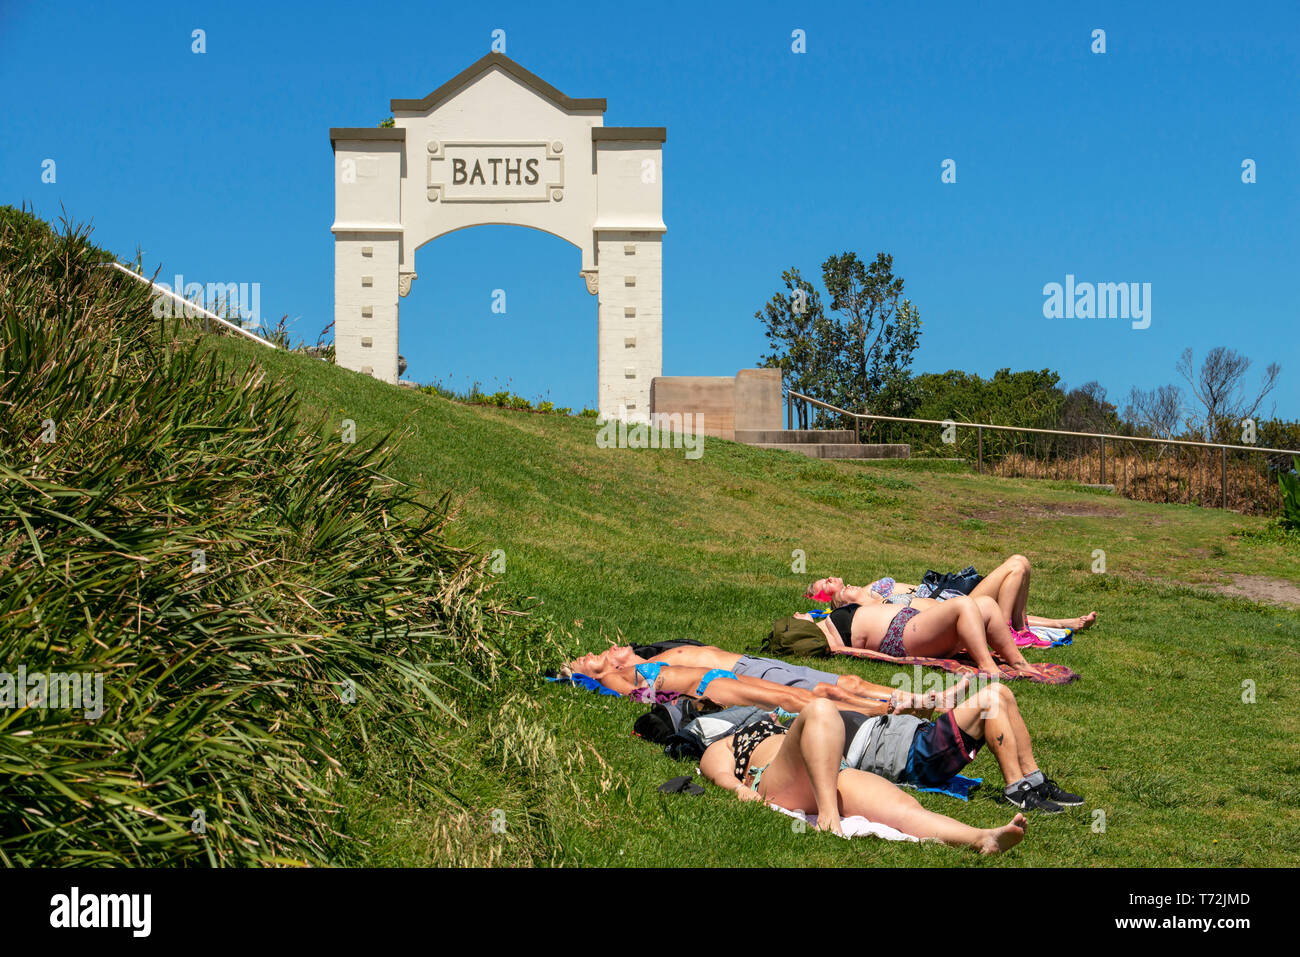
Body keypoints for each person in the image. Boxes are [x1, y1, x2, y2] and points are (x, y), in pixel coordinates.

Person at [699, 698, 1028, 854]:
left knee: (903, 809)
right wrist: (740, 790)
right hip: (776, 780)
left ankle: (980, 837)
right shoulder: (731, 739)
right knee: (821, 709)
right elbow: (717, 769)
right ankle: (829, 816)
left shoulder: (784, 725)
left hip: (833, 775)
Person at [573, 642, 971, 712]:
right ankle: (897, 705)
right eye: (585, 658)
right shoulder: (620, 676)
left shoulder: (646, 661)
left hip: (732, 669)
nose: (596, 652)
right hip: (724, 679)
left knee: (833, 686)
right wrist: (669, 698)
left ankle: (916, 701)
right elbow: (633, 694)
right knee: (817, 694)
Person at [806, 554, 1098, 637]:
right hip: (951, 605)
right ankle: (1014, 630)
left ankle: (1057, 623)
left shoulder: (869, 591)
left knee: (1019, 566)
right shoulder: (863, 602)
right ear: (829, 600)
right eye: (827, 586)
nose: (832, 579)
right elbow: (826, 620)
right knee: (1017, 566)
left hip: (949, 596)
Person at [799, 589, 1048, 678]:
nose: (797, 617)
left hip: (914, 626)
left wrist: (809, 617)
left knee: (985, 603)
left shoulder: (826, 619)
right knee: (963, 605)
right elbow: (836, 649)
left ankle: (1018, 662)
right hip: (901, 636)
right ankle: (988, 667)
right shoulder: (827, 633)